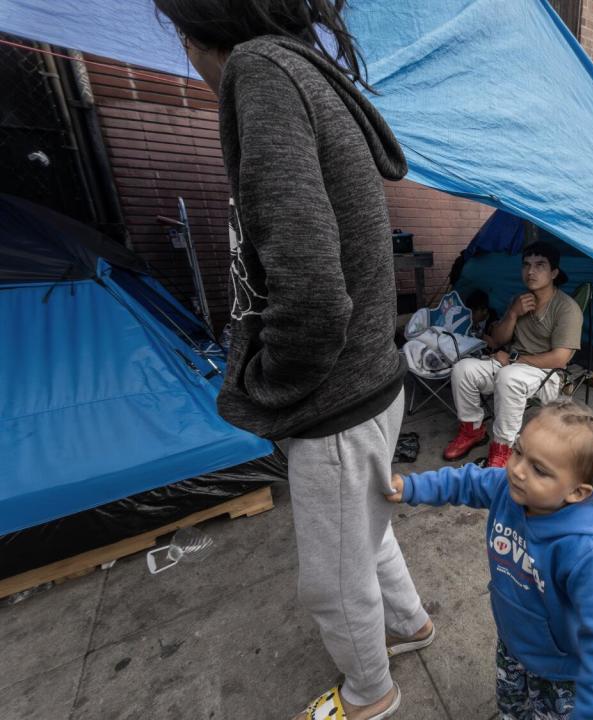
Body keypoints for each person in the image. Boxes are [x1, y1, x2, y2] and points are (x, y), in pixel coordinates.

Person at [152, 2, 432, 718]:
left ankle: (370, 695)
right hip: (372, 378)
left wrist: (276, 389)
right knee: (364, 535)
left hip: (334, 397)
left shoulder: (259, 74)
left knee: (333, 582)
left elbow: (309, 288)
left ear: (192, 32)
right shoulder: (304, 74)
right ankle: (408, 626)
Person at [387, 400, 593, 719]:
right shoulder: (506, 488)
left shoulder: (587, 553)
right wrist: (411, 486)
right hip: (512, 644)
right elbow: (465, 482)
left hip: (558, 669)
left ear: (577, 492)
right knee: (511, 708)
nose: (518, 470)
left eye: (539, 469)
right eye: (518, 450)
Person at [445, 241, 584, 467]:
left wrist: (514, 359)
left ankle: (503, 447)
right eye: (526, 265)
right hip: (510, 364)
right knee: (463, 369)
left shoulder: (566, 308)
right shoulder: (518, 300)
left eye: (540, 265)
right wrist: (512, 313)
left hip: (546, 372)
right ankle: (472, 430)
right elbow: (499, 339)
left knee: (509, 378)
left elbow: (560, 358)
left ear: (554, 273)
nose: (531, 271)